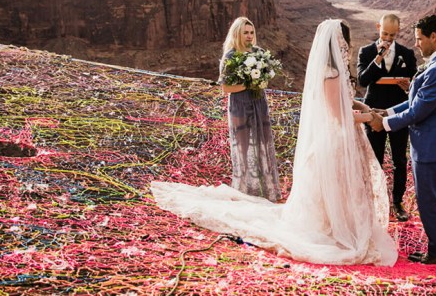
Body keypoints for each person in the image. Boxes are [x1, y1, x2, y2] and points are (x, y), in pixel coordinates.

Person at [151, 19, 398, 266]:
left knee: (342, 187)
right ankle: (335, 228)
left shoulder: (336, 71)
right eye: (346, 40)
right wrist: (370, 118)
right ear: (341, 42)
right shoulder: (331, 74)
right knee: (334, 187)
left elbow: (345, 103)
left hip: (340, 138)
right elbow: (339, 116)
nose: (349, 45)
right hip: (334, 140)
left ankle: (341, 224)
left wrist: (364, 107)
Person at [369, 15, 436, 265]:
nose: (417, 44)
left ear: (434, 37)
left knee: (430, 200)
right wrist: (387, 112)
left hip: (431, 145)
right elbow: (414, 102)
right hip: (433, 143)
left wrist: (384, 124)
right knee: (432, 198)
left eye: (420, 39)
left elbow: (418, 111)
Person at [357, 14, 417, 222]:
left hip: (399, 114)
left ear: (398, 32)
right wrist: (378, 58)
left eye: (392, 35)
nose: (388, 39)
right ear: (378, 28)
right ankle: (375, 201)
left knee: (400, 160)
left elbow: (415, 81)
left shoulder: (407, 54)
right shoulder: (366, 52)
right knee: (375, 159)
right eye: (384, 34)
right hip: (374, 112)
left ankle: (398, 202)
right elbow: (363, 80)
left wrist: (407, 84)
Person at [219, 17, 281, 202]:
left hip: (258, 103)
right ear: (237, 34)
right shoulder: (230, 56)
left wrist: (261, 81)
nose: (249, 36)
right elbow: (226, 88)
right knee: (243, 147)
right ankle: (243, 191)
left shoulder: (259, 53)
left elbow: (264, 80)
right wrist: (249, 84)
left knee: (263, 143)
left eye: (251, 32)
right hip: (240, 105)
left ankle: (265, 189)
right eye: (245, 32)